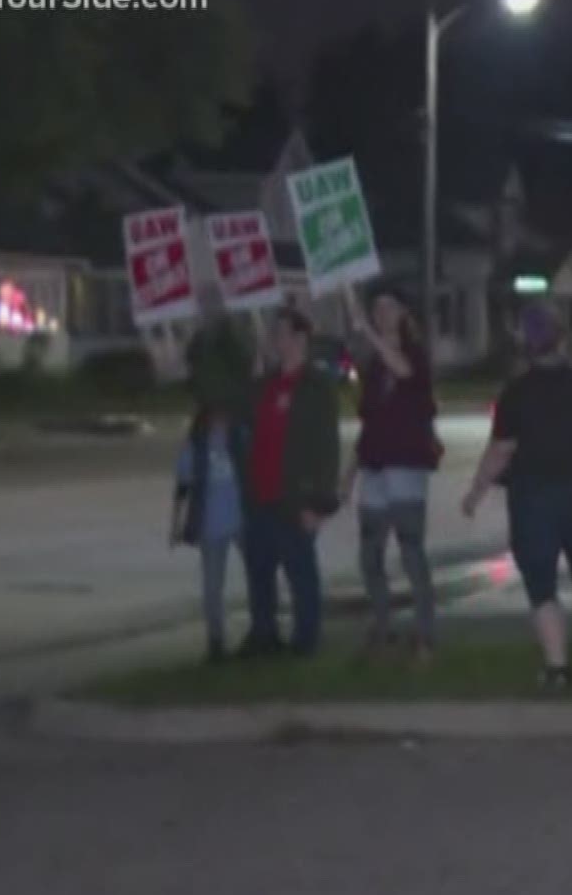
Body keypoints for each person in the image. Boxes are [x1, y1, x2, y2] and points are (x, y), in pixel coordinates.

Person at [462, 303, 572, 688]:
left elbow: (500, 451)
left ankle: (558, 668)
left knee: (541, 584)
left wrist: (475, 492)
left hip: (535, 497)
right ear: (562, 339)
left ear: (525, 343)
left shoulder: (517, 393)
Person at [341, 285, 442, 667]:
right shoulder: (372, 367)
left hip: (407, 467)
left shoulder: (414, 355)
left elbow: (404, 371)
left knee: (411, 550)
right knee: (370, 554)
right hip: (376, 467)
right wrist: (350, 474)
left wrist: (367, 331)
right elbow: (369, 424)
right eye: (376, 308)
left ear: (403, 313)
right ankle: (383, 626)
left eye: (389, 308)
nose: (381, 314)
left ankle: (426, 634)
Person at [240, 307, 341, 659]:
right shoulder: (264, 384)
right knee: (259, 571)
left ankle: (305, 640)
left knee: (300, 572)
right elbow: (243, 420)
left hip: (295, 497)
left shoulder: (315, 387)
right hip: (260, 495)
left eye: (282, 333)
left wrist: (319, 502)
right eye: (274, 334)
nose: (276, 340)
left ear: (300, 339)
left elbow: (327, 448)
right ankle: (263, 634)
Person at [170, 405, 245, 663]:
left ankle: (263, 631)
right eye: (215, 414)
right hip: (211, 525)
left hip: (242, 521)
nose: (220, 419)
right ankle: (216, 642)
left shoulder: (239, 438)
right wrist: (176, 523)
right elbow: (183, 485)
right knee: (213, 587)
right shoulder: (197, 445)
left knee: (259, 575)